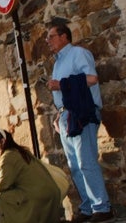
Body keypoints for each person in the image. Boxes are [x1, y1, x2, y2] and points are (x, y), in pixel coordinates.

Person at [45, 22, 113, 223]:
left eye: (51, 36)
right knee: (75, 165)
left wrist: (61, 84)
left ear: (64, 36)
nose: (48, 41)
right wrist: (59, 114)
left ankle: (102, 207)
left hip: (81, 114)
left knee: (86, 161)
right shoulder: (57, 63)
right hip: (66, 117)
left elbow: (92, 78)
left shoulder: (78, 53)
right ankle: (88, 207)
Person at [0, 129, 62, 223]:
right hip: (48, 193)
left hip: (38, 195)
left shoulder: (8, 156)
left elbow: (3, 184)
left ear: (3, 141)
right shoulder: (18, 151)